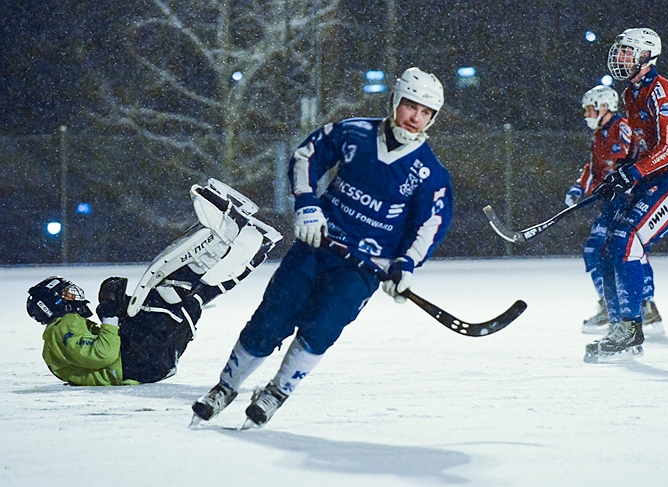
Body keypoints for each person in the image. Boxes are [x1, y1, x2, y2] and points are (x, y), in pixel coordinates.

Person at [191, 67, 454, 429]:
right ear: (394, 101)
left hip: (361, 269)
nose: (415, 118)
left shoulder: (431, 173)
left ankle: (276, 393)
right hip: (316, 247)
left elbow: (429, 226)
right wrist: (306, 203)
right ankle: (225, 388)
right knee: (271, 318)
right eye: (410, 106)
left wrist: (405, 265)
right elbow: (307, 155)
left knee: (321, 329)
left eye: (426, 112)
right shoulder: (355, 132)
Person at [26, 180, 282, 385]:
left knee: (192, 300)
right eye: (67, 294)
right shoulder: (62, 327)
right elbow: (103, 354)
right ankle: (222, 240)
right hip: (135, 363)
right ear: (52, 304)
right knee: (169, 291)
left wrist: (122, 309)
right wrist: (111, 316)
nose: (75, 296)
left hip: (151, 365)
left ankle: (253, 253)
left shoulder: (63, 332)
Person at [584, 28, 668, 363]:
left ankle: (632, 328)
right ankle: (620, 325)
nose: (619, 57)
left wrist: (633, 172)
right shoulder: (630, 93)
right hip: (655, 178)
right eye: (619, 51)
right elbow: (641, 144)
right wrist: (624, 168)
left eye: (626, 51)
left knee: (627, 237)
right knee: (608, 243)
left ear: (646, 55)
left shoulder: (662, 91)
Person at [565, 85, 663, 335]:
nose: (587, 114)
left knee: (623, 248)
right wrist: (580, 187)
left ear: (605, 107)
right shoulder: (600, 134)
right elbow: (594, 169)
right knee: (602, 250)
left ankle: (640, 306)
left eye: (590, 108)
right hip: (613, 200)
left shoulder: (623, 128)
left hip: (628, 199)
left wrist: (629, 188)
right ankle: (620, 305)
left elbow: (631, 163)